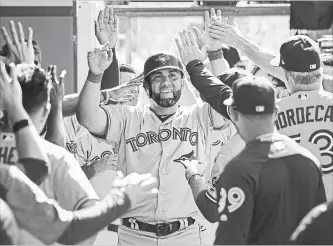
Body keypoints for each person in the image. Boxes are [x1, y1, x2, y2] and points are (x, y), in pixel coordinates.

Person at [77, 9, 234, 245]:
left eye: (173, 75)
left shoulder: (200, 116)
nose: (166, 82)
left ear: (183, 81)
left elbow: (229, 101)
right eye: (158, 77)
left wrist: (214, 51)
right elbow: (87, 117)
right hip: (134, 235)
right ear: (146, 87)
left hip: (186, 234)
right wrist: (95, 74)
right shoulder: (128, 117)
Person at [208, 16, 333, 202]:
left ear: (287, 77)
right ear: (321, 69)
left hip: (289, 219)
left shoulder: (267, 114)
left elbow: (227, 159)